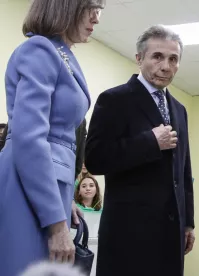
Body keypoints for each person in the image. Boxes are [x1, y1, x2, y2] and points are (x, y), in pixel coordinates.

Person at [0, 1, 104, 275]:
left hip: (46, 188)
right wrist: (56, 223)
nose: (97, 16)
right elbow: (30, 138)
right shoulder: (40, 49)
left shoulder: (63, 54)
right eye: (92, 6)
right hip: (26, 186)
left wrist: (65, 200)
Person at [85, 24, 195, 276]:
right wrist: (150, 142)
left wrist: (188, 222)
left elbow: (183, 169)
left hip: (171, 234)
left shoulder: (179, 109)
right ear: (139, 58)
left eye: (173, 59)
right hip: (129, 233)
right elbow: (95, 159)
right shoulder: (114, 100)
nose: (165, 66)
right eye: (157, 56)